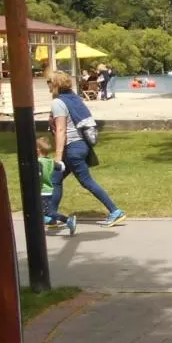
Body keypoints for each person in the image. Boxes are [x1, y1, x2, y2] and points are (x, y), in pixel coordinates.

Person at [46, 71, 126, 228]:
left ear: (55, 84)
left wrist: (57, 156)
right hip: (82, 144)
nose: (48, 86)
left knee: (86, 181)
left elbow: (61, 131)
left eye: (49, 82)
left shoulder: (58, 103)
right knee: (55, 179)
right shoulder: (74, 99)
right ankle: (51, 216)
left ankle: (115, 211)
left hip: (72, 149)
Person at [37, 137, 76, 235]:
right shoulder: (50, 161)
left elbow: (39, 176)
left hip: (42, 190)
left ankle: (68, 220)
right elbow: (61, 167)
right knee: (43, 211)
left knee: (49, 212)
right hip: (49, 189)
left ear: (37, 149)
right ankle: (44, 223)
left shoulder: (38, 162)